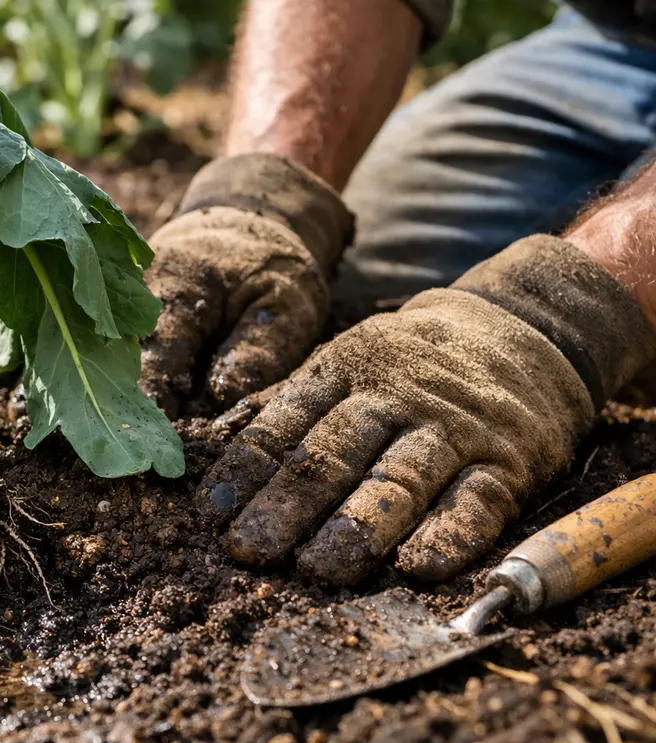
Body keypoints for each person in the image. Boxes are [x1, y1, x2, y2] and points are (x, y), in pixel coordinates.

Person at [140, 0, 656, 586]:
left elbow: (566, 308)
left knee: (615, 334)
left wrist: (561, 307)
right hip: (618, 46)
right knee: (362, 268)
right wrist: (262, 194)